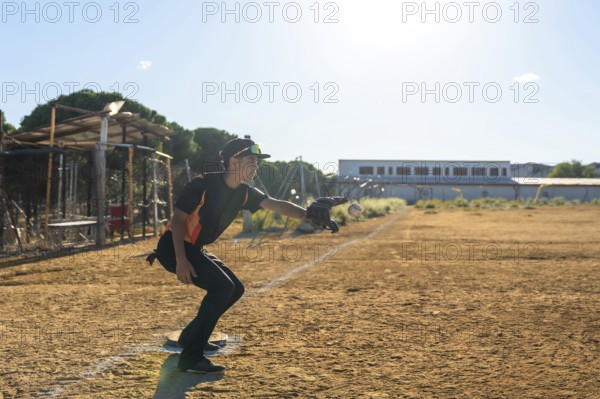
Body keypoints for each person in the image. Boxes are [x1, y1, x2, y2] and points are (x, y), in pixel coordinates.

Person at [149, 138, 308, 374]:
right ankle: (191, 358)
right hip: (173, 248)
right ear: (234, 161)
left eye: (257, 162)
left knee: (235, 289)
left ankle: (190, 337)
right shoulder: (202, 185)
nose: (256, 165)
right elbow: (178, 221)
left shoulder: (244, 192)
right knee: (222, 288)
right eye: (251, 160)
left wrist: (311, 214)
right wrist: (181, 260)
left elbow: (277, 204)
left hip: (195, 248)